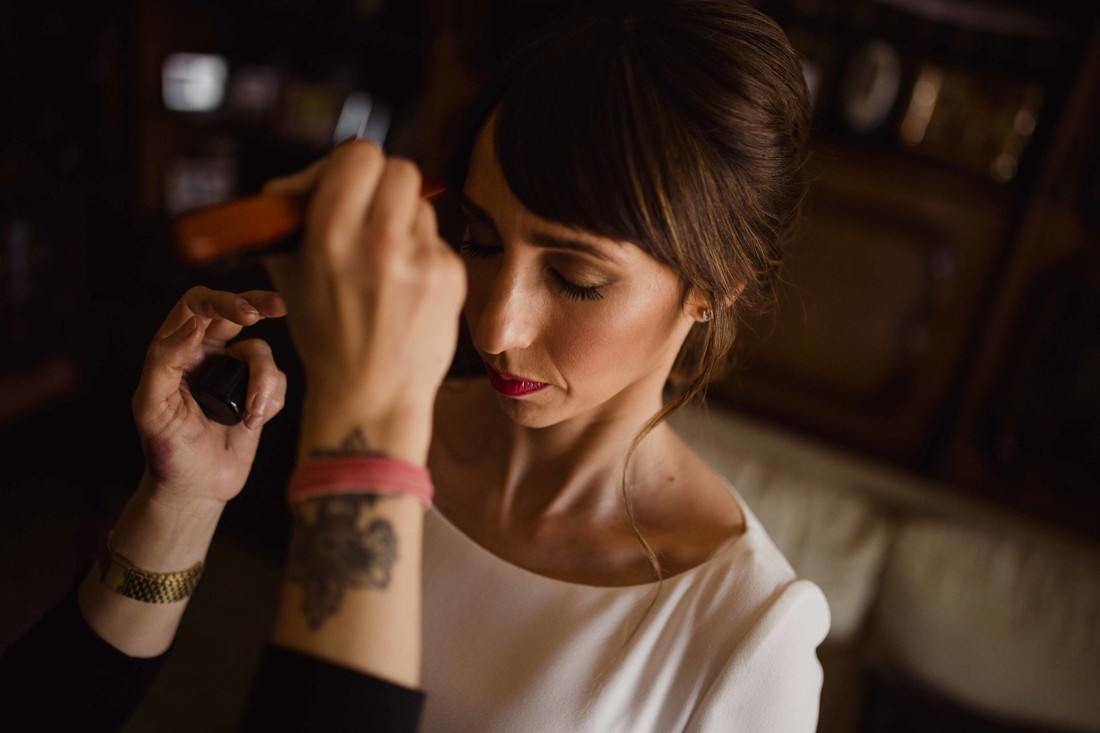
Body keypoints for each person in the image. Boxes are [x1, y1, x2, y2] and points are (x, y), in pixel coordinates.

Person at [2, 1, 830, 730]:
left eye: (576, 278)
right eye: (477, 238)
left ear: (712, 289)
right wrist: (181, 499)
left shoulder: (746, 637)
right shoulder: (341, 416)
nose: (495, 324)